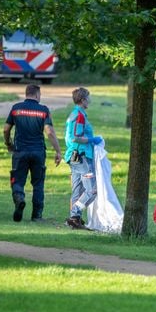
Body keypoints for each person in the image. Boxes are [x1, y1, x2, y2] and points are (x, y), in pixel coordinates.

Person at [3, 84, 62, 222]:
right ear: (36, 95)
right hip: (38, 152)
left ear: (26, 94)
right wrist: (58, 151)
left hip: (20, 151)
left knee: (17, 180)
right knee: (38, 184)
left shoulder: (16, 108)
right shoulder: (43, 110)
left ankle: (19, 198)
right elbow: (49, 132)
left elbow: (6, 129)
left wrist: (8, 144)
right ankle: (37, 215)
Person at [64, 87, 103, 229]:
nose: (90, 100)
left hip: (74, 156)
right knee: (92, 190)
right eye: (88, 97)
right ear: (83, 100)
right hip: (81, 156)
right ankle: (74, 214)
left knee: (78, 190)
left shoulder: (75, 114)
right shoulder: (79, 115)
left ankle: (75, 221)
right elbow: (76, 137)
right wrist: (92, 140)